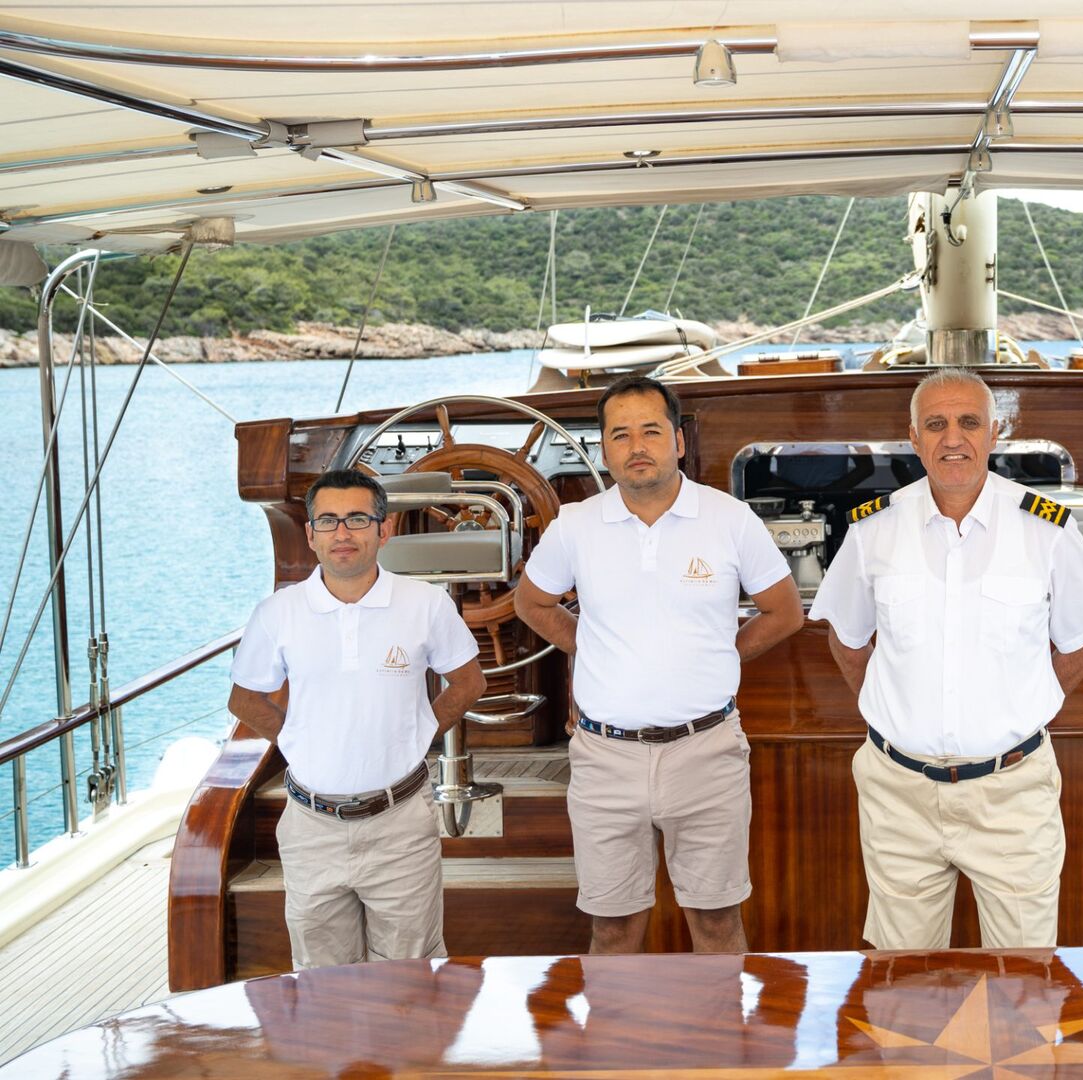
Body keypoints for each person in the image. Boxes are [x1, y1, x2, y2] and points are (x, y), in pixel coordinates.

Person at [810, 368, 1083, 949]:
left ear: (995, 432)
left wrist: (1027, 706)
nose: (953, 438)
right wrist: (896, 711)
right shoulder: (873, 529)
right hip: (898, 790)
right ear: (914, 436)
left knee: (1025, 978)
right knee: (902, 979)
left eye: (969, 422)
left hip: (1012, 792)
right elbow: (848, 641)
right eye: (936, 424)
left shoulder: (1044, 528)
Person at [514, 375, 804, 954]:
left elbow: (784, 611)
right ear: (604, 449)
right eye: (620, 434)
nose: (636, 445)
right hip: (605, 757)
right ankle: (615, 1047)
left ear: (678, 441)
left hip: (707, 752)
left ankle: (719, 1046)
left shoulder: (730, 519)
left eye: (651, 430)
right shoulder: (576, 525)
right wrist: (591, 648)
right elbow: (531, 602)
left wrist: (720, 652)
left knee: (717, 924)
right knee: (612, 929)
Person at [228, 468, 486, 969]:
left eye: (357, 519)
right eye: (327, 521)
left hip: (400, 825)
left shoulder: (426, 604)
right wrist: (297, 739)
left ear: (383, 530)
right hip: (310, 827)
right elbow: (244, 699)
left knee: (410, 980)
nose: (342, 534)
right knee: (322, 984)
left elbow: (469, 682)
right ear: (310, 534)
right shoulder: (277, 612)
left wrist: (419, 733)